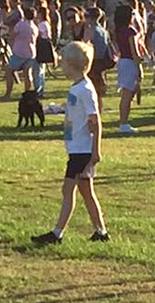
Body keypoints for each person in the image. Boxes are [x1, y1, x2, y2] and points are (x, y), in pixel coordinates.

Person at [31, 41, 108, 245]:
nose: (60, 64)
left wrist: (95, 150)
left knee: (68, 190)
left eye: (63, 61)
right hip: (76, 148)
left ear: (72, 64)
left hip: (82, 151)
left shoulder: (85, 89)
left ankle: (57, 233)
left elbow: (95, 119)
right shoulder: (77, 88)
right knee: (86, 192)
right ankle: (101, 231)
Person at [114, 4, 142, 134]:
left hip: (122, 61)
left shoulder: (118, 30)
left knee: (126, 94)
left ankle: (123, 121)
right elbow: (134, 51)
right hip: (130, 62)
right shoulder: (130, 31)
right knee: (127, 95)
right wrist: (139, 67)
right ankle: (123, 123)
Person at [0, 7, 39, 100]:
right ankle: (27, 94)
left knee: (9, 70)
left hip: (19, 52)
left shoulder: (21, 24)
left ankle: (8, 94)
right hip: (31, 53)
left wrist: (9, 38)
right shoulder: (34, 27)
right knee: (27, 74)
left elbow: (12, 35)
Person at [82, 7, 114, 113]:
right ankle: (99, 111)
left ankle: (91, 112)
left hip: (92, 61)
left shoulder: (90, 30)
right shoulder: (104, 31)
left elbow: (84, 45)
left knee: (89, 89)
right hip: (101, 61)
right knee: (98, 90)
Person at [35, 5, 55, 97]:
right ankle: (40, 89)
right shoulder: (46, 23)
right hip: (44, 45)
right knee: (41, 69)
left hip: (41, 46)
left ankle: (38, 89)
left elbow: (39, 35)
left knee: (38, 70)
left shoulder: (42, 24)